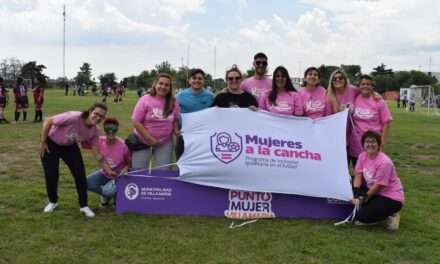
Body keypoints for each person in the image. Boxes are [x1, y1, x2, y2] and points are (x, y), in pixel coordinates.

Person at [40, 102, 110, 218]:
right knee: (51, 174)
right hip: (51, 144)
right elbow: (49, 121)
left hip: (70, 147)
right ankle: (53, 202)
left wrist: (108, 168)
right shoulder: (74, 117)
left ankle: (84, 206)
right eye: (96, 114)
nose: (98, 118)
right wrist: (43, 141)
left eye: (101, 117)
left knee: (80, 174)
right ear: (89, 112)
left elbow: (97, 154)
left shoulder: (94, 131)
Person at [352, 130, 404, 230]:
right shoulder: (362, 156)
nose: (370, 144)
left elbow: (378, 186)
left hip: (390, 197)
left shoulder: (385, 162)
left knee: (360, 218)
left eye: (373, 142)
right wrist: (356, 191)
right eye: (367, 142)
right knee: (350, 182)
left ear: (379, 144)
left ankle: (391, 216)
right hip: (374, 191)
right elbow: (358, 174)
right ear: (363, 144)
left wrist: (363, 198)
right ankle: (375, 209)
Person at [130, 73, 180, 169]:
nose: (163, 87)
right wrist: (150, 139)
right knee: (139, 172)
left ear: (170, 88)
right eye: (160, 83)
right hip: (142, 141)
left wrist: (176, 129)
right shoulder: (145, 99)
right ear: (155, 84)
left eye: (166, 85)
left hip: (164, 143)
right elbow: (135, 121)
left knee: (163, 172)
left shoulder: (174, 102)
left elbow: (175, 119)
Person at [349, 74, 392, 166]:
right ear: (359, 86)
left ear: (372, 87)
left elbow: (387, 122)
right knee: (358, 172)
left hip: (372, 144)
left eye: (368, 84)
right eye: (363, 84)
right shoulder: (355, 97)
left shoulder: (379, 101)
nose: (365, 86)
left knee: (371, 175)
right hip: (356, 144)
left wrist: (382, 144)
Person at [87, 117, 130, 207]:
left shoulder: (123, 146)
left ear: (117, 129)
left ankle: (115, 195)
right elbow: (86, 140)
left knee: (108, 191)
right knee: (85, 182)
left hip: (118, 176)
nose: (110, 132)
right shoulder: (99, 141)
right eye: (108, 129)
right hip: (105, 173)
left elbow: (129, 162)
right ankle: (107, 195)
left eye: (113, 129)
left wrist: (125, 169)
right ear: (104, 129)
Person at [175, 68, 214, 159]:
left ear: (204, 81)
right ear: (189, 80)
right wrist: (176, 129)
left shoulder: (210, 96)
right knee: (182, 161)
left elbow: (214, 115)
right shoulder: (180, 96)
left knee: (201, 162)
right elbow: (174, 115)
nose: (197, 80)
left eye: (200, 78)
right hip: (184, 135)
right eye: (194, 78)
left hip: (203, 136)